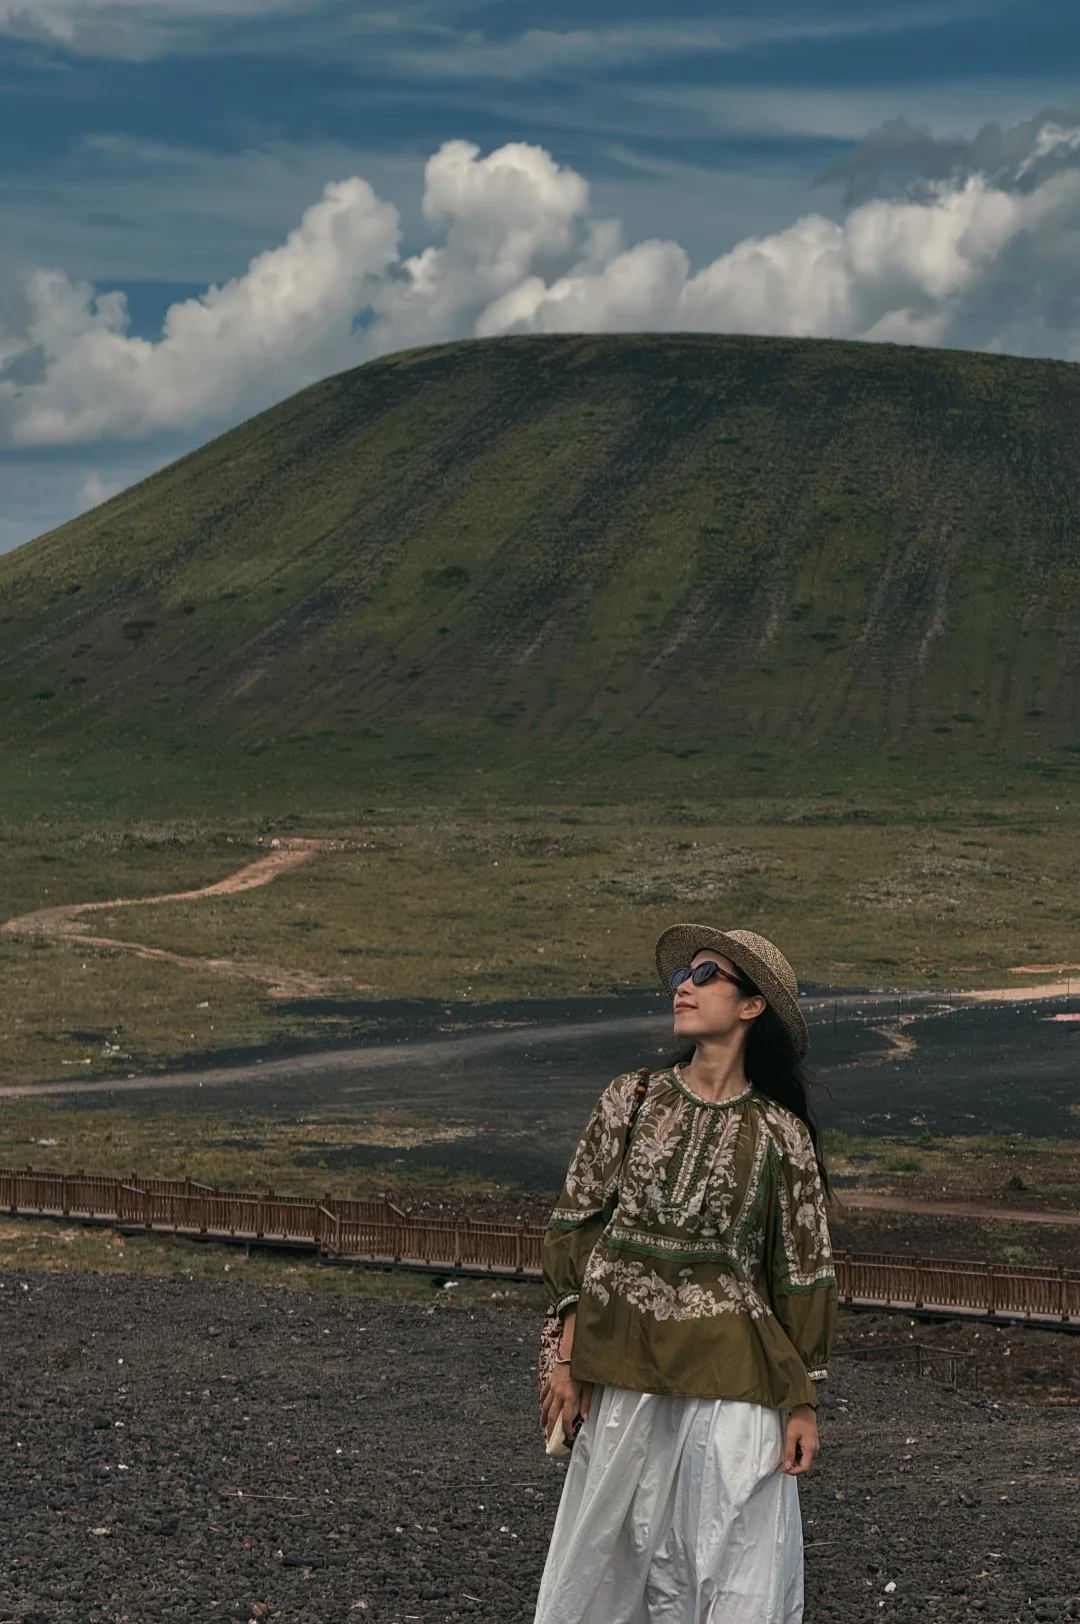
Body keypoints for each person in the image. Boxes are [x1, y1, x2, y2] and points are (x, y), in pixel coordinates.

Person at [534, 925, 837, 1624]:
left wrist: (802, 1405)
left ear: (751, 1007)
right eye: (684, 976)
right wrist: (566, 1358)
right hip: (623, 1368)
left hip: (737, 1382)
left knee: (733, 1570)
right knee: (609, 1568)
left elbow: (805, 1272)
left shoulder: (780, 1135)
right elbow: (575, 1224)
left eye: (707, 975)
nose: (685, 987)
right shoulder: (630, 1100)